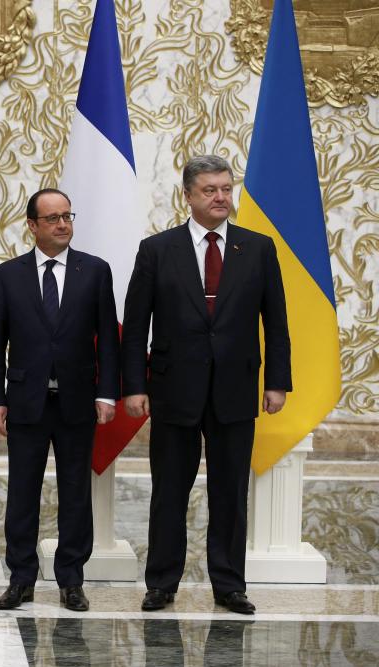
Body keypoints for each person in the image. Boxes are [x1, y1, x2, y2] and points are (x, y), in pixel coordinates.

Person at [121, 155, 291, 615]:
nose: (221, 197)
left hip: (235, 390)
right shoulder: (157, 250)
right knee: (169, 491)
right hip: (174, 389)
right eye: (210, 190)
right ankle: (161, 582)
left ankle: (229, 585)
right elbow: (136, 326)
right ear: (189, 196)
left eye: (225, 188)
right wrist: (134, 386)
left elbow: (276, 322)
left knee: (230, 492)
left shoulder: (257, 248)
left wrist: (277, 383)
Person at [0, 188, 120, 612]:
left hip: (77, 401)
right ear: (33, 225)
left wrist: (106, 392)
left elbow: (108, 343)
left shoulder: (94, 271)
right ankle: (21, 578)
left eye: (67, 216)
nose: (63, 224)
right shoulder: (9, 275)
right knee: (23, 492)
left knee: (76, 493)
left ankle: (71, 580)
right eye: (53, 218)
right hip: (25, 401)